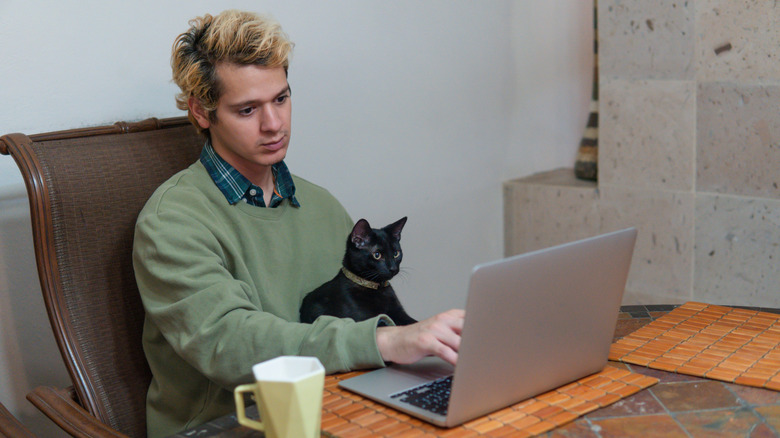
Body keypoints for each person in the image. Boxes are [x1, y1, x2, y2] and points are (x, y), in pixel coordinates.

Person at [132, 9, 464, 438]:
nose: (274, 124)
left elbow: (371, 307)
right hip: (228, 426)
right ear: (202, 111)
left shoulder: (323, 207)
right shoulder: (171, 223)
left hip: (336, 410)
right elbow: (230, 344)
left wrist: (432, 345)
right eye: (247, 109)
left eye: (281, 99)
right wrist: (383, 342)